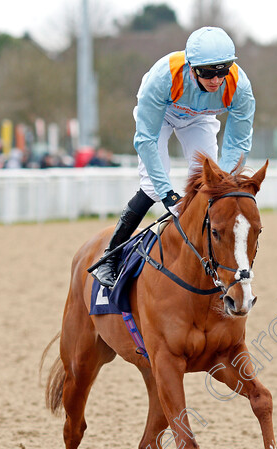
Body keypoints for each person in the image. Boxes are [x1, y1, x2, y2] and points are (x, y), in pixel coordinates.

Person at [91, 26, 255, 288]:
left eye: (222, 71)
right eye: (207, 72)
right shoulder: (162, 78)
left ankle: (207, 254)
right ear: (191, 68)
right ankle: (109, 258)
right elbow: (145, 139)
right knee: (151, 188)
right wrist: (167, 192)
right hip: (161, 115)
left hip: (199, 120)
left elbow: (238, 144)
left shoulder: (240, 87)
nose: (215, 80)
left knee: (209, 180)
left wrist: (222, 184)